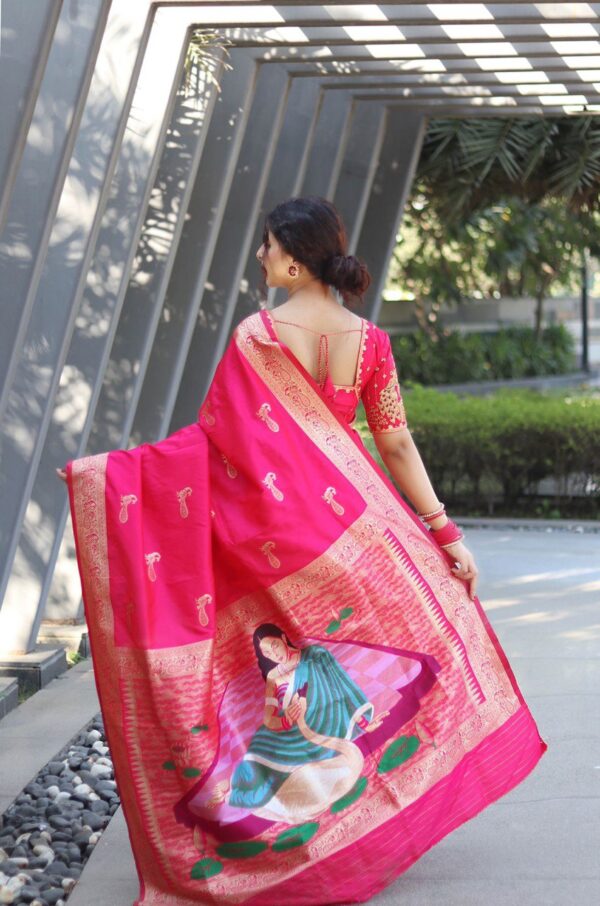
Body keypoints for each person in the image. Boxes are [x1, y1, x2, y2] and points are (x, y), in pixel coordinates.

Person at [57, 196, 547, 905]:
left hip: (272, 542)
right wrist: (444, 531)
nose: (260, 258)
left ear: (292, 256)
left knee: (268, 686)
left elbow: (216, 449)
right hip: (353, 533)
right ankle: (372, 812)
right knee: (377, 664)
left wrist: (109, 477)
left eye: (265, 246)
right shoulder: (369, 340)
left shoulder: (258, 337)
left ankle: (299, 824)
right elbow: (396, 443)